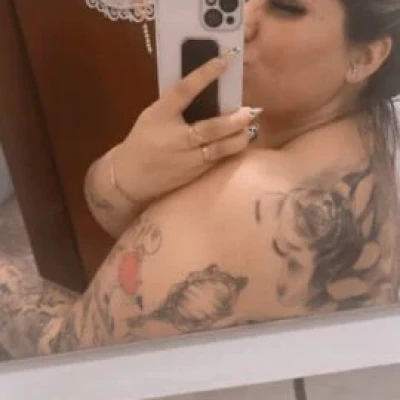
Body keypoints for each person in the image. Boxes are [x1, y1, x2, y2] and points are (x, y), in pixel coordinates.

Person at [1, 0, 400, 358]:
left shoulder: (246, 202)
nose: (242, 20)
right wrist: (125, 175)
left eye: (285, 7)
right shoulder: (367, 133)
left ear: (366, 56)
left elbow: (69, 356)